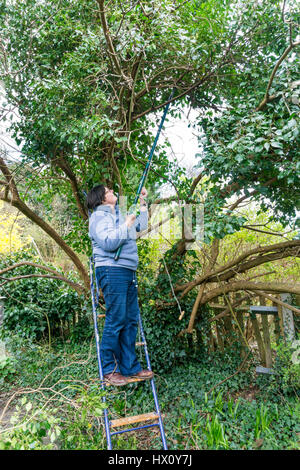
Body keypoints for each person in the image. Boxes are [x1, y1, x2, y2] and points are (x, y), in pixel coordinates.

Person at [87, 184, 154, 386]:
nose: (112, 192)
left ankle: (130, 367)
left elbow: (141, 225)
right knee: (116, 319)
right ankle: (109, 369)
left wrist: (143, 204)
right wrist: (126, 225)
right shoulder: (98, 217)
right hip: (111, 270)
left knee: (130, 319)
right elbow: (108, 242)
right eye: (108, 191)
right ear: (101, 199)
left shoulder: (119, 213)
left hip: (127, 270)